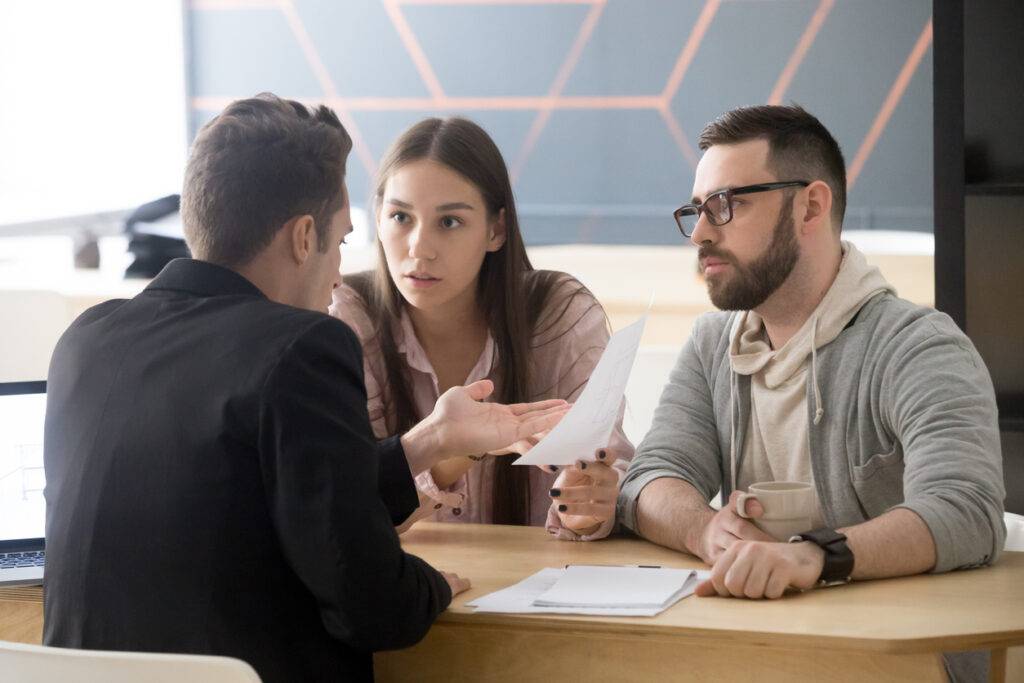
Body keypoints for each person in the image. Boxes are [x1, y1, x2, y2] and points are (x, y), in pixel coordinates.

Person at [43, 94, 568, 683]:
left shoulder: (85, 341)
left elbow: (262, 500)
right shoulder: (300, 348)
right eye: (340, 241)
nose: (340, 272)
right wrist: (427, 586)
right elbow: (375, 608)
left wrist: (429, 441)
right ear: (301, 239)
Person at [612, 105, 1004, 682]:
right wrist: (704, 528)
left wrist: (813, 555)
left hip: (894, 662)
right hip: (749, 652)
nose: (700, 232)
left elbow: (967, 513)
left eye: (727, 204)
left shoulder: (918, 346)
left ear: (810, 206)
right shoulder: (712, 343)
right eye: (697, 210)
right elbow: (650, 478)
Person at [331, 117, 632, 539]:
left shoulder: (558, 312)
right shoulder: (346, 317)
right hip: (407, 590)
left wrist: (591, 507)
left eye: (449, 222)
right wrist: (451, 449)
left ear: (496, 230)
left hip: (539, 587)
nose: (419, 247)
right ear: (378, 220)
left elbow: (609, 462)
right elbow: (341, 508)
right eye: (400, 217)